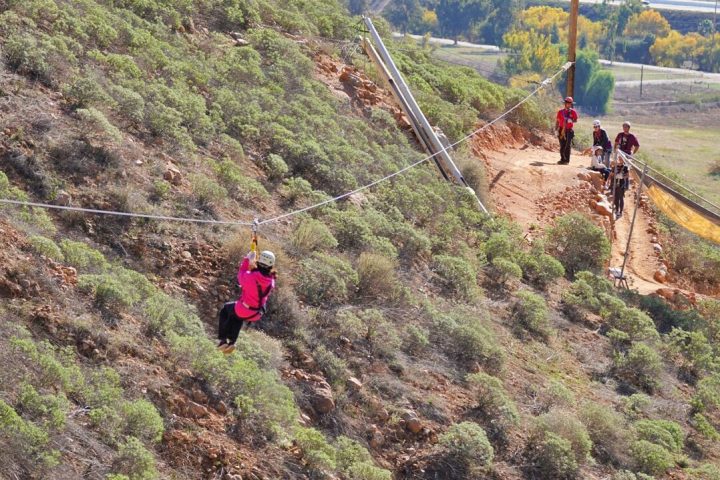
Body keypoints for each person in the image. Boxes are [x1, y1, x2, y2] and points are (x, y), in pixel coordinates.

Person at [217, 250, 276, 354]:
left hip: (244, 308)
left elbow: (241, 274)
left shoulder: (250, 276)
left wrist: (247, 259)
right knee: (236, 317)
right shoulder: (271, 282)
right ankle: (232, 342)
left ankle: (223, 340)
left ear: (259, 261)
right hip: (256, 313)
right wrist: (255, 264)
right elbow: (264, 275)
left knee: (226, 309)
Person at [556, 96, 578, 165]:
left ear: (571, 104)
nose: (568, 104)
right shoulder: (560, 112)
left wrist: (571, 120)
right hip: (561, 130)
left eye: (570, 103)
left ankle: (567, 160)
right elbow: (557, 121)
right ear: (565, 103)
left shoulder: (573, 112)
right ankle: (562, 159)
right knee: (562, 145)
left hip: (569, 130)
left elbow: (575, 120)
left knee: (567, 145)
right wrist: (556, 129)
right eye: (567, 103)